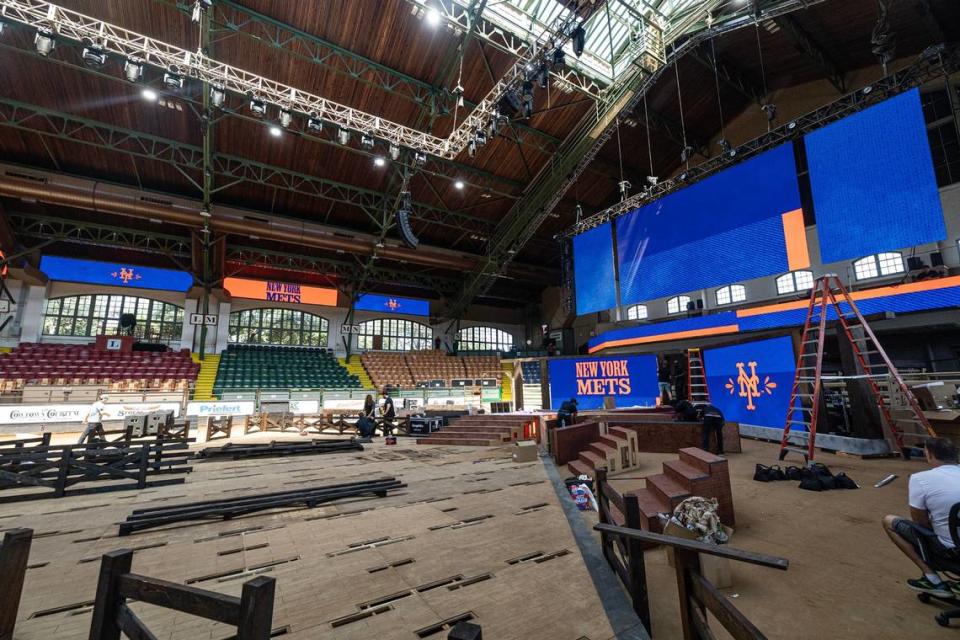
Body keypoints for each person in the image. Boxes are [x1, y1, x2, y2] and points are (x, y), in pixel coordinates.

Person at [882, 437, 960, 598]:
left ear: (929, 454)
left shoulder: (920, 479)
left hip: (951, 550)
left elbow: (920, 522)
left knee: (888, 521)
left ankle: (932, 579)